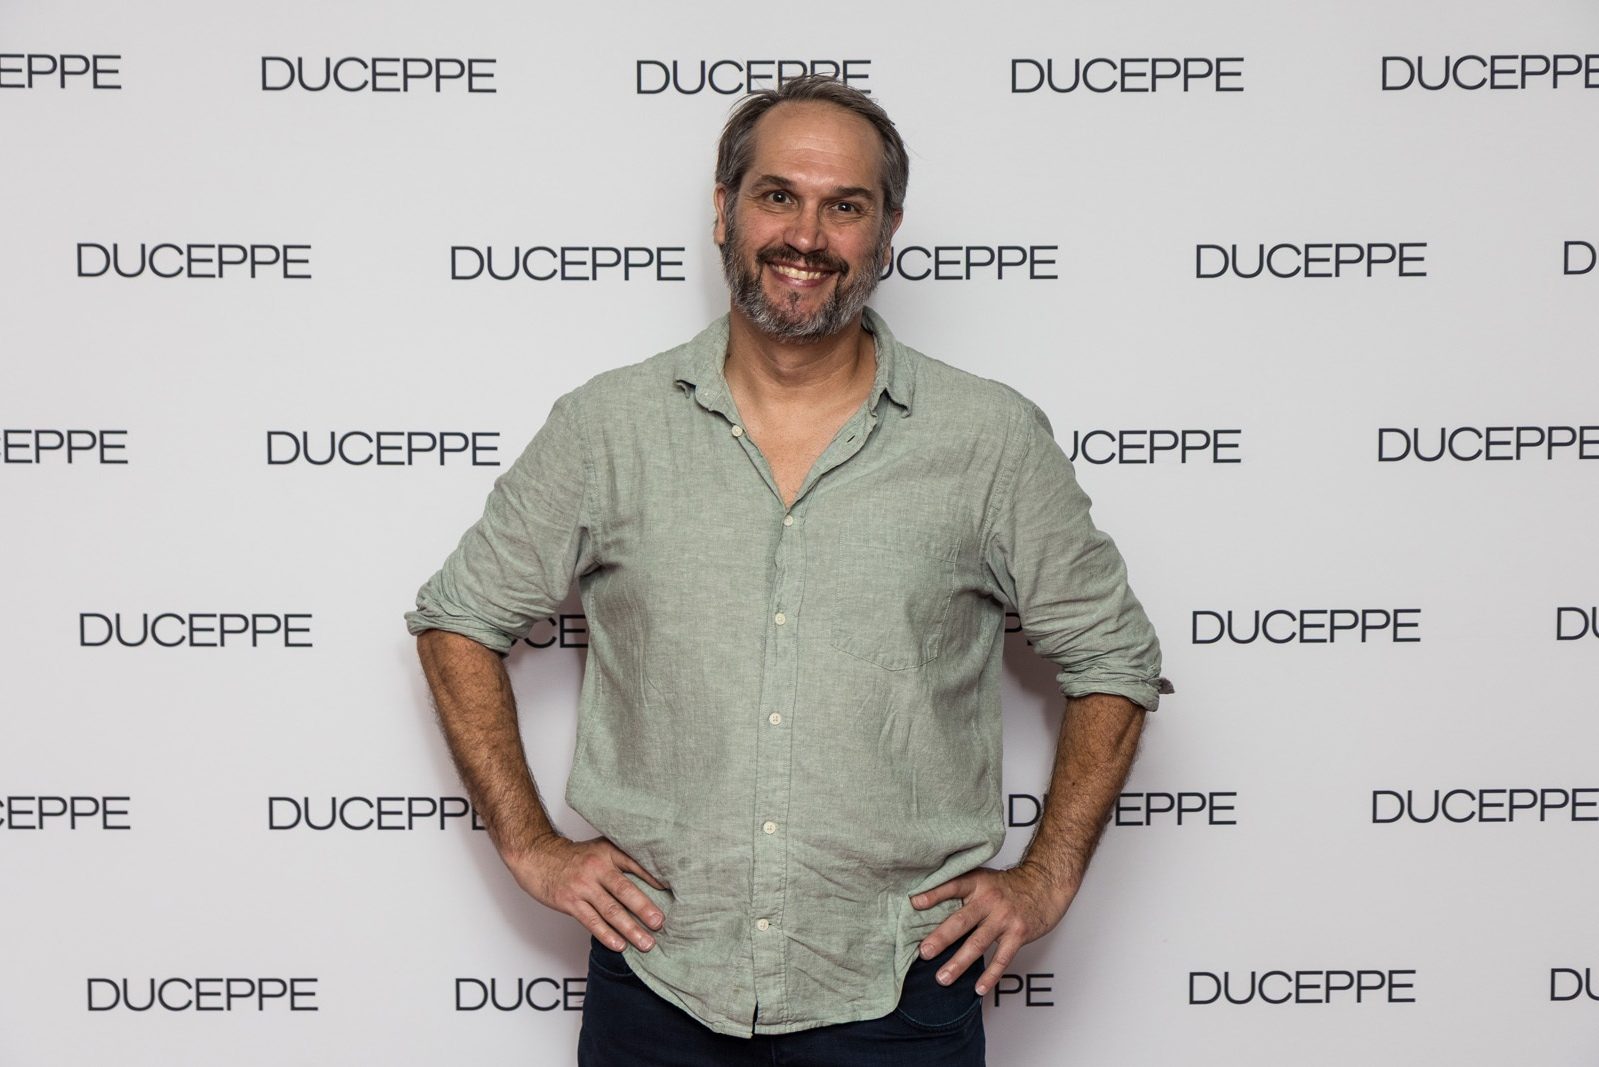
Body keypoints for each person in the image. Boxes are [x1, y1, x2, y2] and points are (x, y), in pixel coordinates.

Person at [407, 75, 1166, 1066]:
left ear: (886, 232)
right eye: (778, 196)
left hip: (900, 990)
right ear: (725, 210)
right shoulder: (608, 428)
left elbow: (1115, 657)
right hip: (658, 981)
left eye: (844, 206)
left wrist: (1047, 873)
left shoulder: (990, 441)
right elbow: (457, 619)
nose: (805, 235)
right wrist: (530, 843)